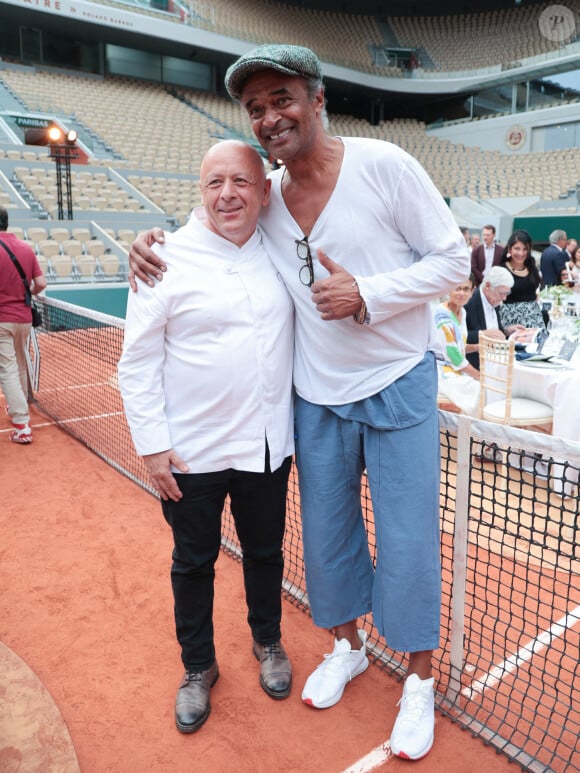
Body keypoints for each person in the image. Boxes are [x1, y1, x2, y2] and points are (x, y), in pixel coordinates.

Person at [128, 44, 470, 760]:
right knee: (325, 539)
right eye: (255, 108)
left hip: (399, 378)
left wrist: (370, 292)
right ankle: (345, 645)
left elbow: (452, 259)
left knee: (407, 540)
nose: (269, 116)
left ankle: (418, 681)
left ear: (318, 99)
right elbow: (215, 234)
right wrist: (148, 242)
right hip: (316, 396)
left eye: (282, 98)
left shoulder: (385, 165)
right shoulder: (269, 196)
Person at [118, 140, 295, 735]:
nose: (228, 194)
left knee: (266, 554)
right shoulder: (163, 257)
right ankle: (198, 668)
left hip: (266, 446)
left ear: (264, 190)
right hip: (189, 453)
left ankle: (267, 641)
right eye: (215, 182)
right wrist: (151, 446)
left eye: (241, 182)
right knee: (192, 564)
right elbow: (137, 362)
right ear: (201, 191)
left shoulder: (283, 248)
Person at [0, 206, 46, 444]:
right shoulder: (26, 249)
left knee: (6, 368)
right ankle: (19, 403)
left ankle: (22, 424)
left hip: (2, 320)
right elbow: (41, 283)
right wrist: (27, 292)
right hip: (24, 319)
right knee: (19, 361)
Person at [434, 276, 481, 416]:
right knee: (479, 387)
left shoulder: (463, 312)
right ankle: (470, 432)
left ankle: (469, 430)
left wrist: (478, 347)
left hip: (456, 371)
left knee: (488, 387)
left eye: (466, 289)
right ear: (449, 290)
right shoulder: (442, 315)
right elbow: (453, 355)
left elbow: (458, 345)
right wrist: (478, 375)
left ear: (472, 291)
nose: (461, 293)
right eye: (457, 288)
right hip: (441, 373)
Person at [498, 229, 546, 333]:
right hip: (512, 321)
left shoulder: (531, 266)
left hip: (535, 318)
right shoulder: (501, 270)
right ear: (510, 249)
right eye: (517, 248)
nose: (521, 253)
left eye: (525, 249)